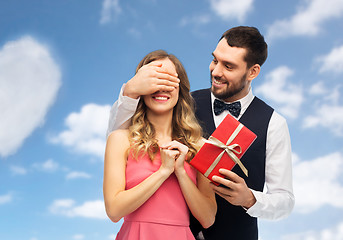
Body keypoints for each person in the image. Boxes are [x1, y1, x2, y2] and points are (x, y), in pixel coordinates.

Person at [106, 26, 294, 240]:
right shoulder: (179, 104)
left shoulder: (273, 124)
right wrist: (130, 92)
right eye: (215, 60)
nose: (216, 72)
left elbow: (285, 200)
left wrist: (250, 199)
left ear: (253, 72)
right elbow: (122, 136)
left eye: (229, 66)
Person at [103, 50, 217, 240]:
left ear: (181, 89)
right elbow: (114, 211)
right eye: (155, 79)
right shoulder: (119, 140)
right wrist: (163, 171)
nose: (161, 88)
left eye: (170, 80)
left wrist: (180, 171)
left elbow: (208, 218)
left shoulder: (200, 147)